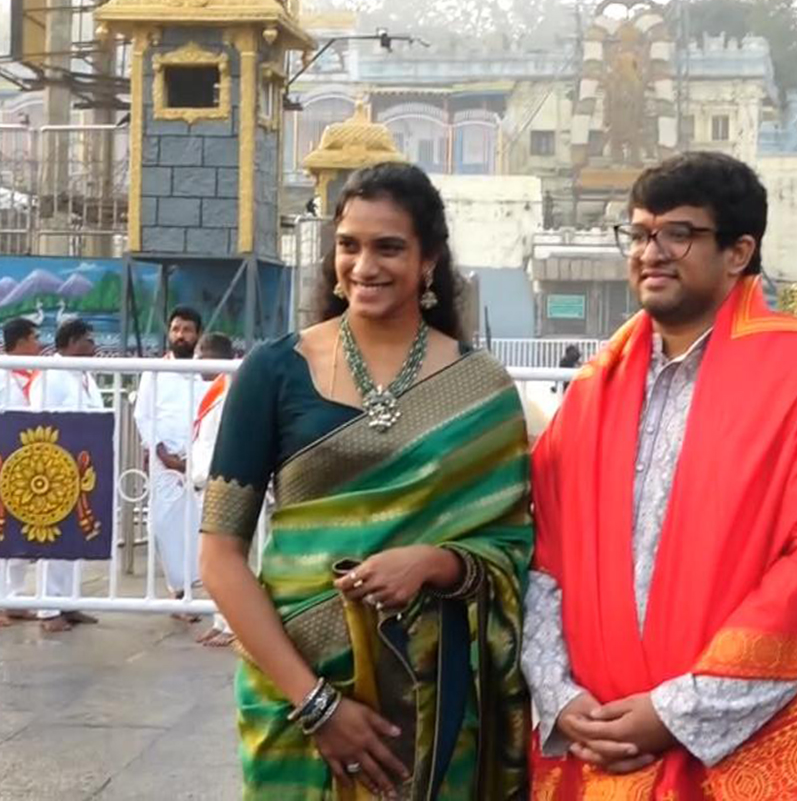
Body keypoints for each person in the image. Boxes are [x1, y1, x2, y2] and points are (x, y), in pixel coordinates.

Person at [523, 152, 797, 797]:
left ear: (738, 252)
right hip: (602, 741)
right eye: (640, 233)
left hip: (753, 738)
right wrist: (559, 695)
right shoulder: (591, 391)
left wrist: (677, 712)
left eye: (679, 233)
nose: (652, 251)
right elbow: (543, 553)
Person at [199, 162, 531, 800]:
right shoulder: (274, 370)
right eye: (349, 245)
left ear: (428, 260)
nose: (364, 265)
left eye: (389, 248)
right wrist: (317, 704)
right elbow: (220, 557)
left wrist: (433, 563)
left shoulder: (481, 389)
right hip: (292, 693)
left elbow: (514, 548)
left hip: (437, 695)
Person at [26, 318, 103, 632]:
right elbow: (41, 420)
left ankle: (69, 602)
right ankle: (48, 609)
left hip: (83, 466)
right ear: (72, 342)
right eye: (89, 340)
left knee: (75, 537)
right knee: (54, 539)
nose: (94, 347)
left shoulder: (83, 376)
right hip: (56, 466)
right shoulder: (50, 375)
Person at [134, 306, 204, 613]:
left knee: (199, 525)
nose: (180, 335)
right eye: (176, 329)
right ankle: (178, 590)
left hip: (200, 460)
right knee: (165, 523)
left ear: (197, 334)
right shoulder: (155, 371)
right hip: (165, 460)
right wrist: (159, 450)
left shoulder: (209, 369)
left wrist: (195, 456)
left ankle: (196, 589)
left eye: (187, 330)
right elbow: (143, 414)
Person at [190, 332, 237, 648]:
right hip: (205, 480)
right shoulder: (215, 387)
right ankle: (221, 620)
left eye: (200, 355)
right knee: (212, 558)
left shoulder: (233, 386)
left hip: (224, 482)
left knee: (229, 558)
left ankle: (233, 624)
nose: (195, 362)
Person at [0, 317, 43, 627]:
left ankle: (14, 597)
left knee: (19, 534)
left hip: (26, 464)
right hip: (3, 460)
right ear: (22, 341)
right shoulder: (2, 374)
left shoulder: (34, 376)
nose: (39, 344)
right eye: (35, 338)